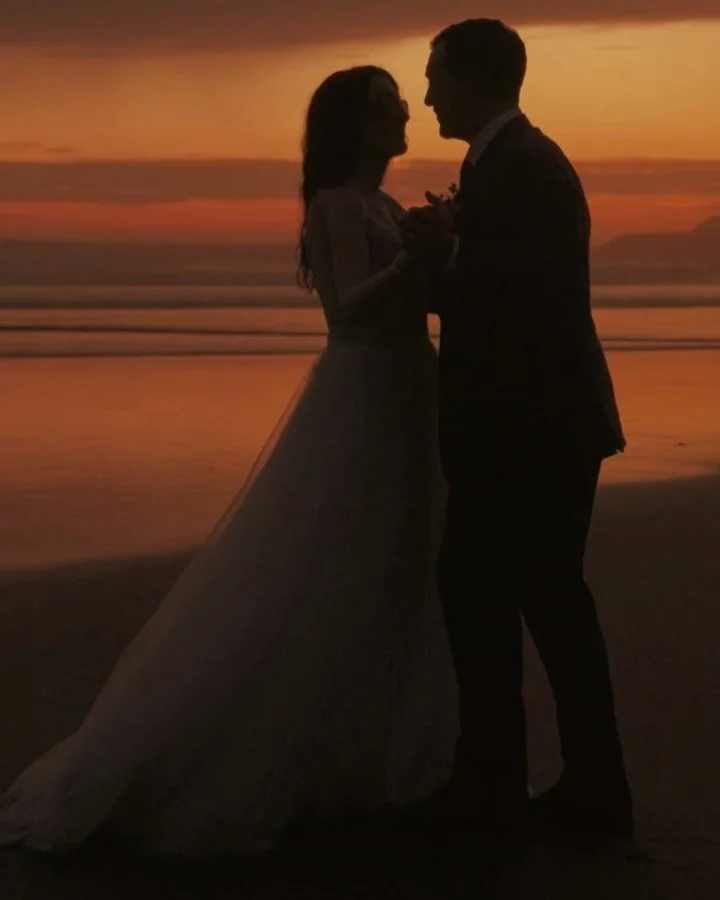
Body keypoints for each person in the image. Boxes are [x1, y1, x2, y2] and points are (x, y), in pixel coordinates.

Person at [0, 66, 458, 858]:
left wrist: (441, 252)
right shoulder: (336, 207)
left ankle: (367, 756)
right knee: (328, 569)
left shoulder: (383, 205)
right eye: (389, 106)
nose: (406, 113)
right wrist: (416, 263)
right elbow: (348, 309)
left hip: (410, 393)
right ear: (358, 124)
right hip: (362, 396)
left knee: (399, 571)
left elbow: (417, 299)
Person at [401, 18, 633, 853]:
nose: (427, 94)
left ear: (470, 78)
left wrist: (441, 260)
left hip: (529, 431)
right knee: (521, 601)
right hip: (534, 427)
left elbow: (519, 299)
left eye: (435, 77)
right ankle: (551, 785)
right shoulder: (512, 163)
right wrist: (453, 254)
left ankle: (517, 787)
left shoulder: (523, 167)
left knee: (509, 601)